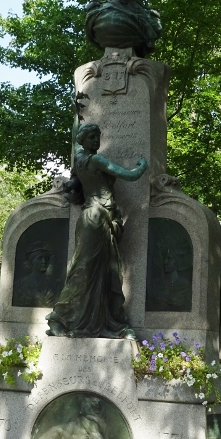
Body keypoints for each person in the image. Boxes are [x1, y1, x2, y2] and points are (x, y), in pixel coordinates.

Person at [46, 122, 147, 339]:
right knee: (85, 270)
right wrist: (143, 166)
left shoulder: (78, 161)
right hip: (96, 217)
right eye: (91, 137)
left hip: (95, 217)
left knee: (101, 272)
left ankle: (102, 321)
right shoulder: (96, 160)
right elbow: (129, 175)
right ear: (83, 140)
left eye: (97, 136)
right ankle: (59, 318)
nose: (96, 140)